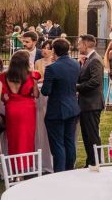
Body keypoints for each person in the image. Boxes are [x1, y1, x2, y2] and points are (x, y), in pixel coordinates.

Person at [41, 38, 81, 172]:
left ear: (53, 50)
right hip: (73, 108)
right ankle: (69, 170)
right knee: (69, 142)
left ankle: (59, 174)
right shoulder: (76, 64)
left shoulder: (52, 68)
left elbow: (46, 91)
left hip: (57, 110)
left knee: (58, 145)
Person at [0, 52, 39, 160]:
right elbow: (36, 95)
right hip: (28, 109)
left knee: (13, 139)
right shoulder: (31, 75)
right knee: (26, 138)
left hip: (12, 108)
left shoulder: (4, 76)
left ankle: (16, 171)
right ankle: (24, 167)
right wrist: (35, 83)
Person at [76, 35, 104, 167]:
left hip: (92, 104)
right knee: (87, 136)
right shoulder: (89, 60)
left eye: (80, 44)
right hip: (86, 103)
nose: (78, 46)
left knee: (92, 136)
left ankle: (95, 162)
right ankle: (90, 162)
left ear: (86, 44)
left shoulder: (95, 60)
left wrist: (77, 87)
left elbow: (95, 81)